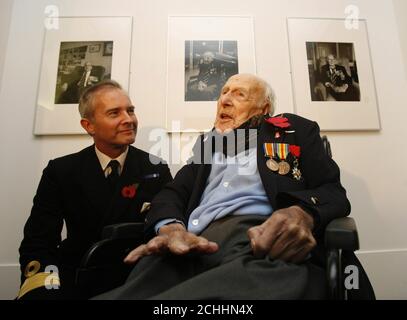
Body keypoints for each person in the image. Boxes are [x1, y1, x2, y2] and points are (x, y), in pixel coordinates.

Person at [93, 74, 350, 300]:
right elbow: (172, 193)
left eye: (240, 95)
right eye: (224, 93)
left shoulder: (295, 130)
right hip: (191, 243)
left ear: (265, 108)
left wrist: (300, 213)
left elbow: (332, 191)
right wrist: (170, 228)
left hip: (258, 239)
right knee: (141, 282)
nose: (225, 100)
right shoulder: (207, 144)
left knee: (283, 280)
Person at [18, 80, 172, 299]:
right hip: (78, 279)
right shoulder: (61, 171)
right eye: (114, 113)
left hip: (137, 280)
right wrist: (46, 288)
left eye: (130, 111)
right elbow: (39, 240)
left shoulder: (155, 167)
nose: (128, 119)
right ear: (88, 125)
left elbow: (167, 226)